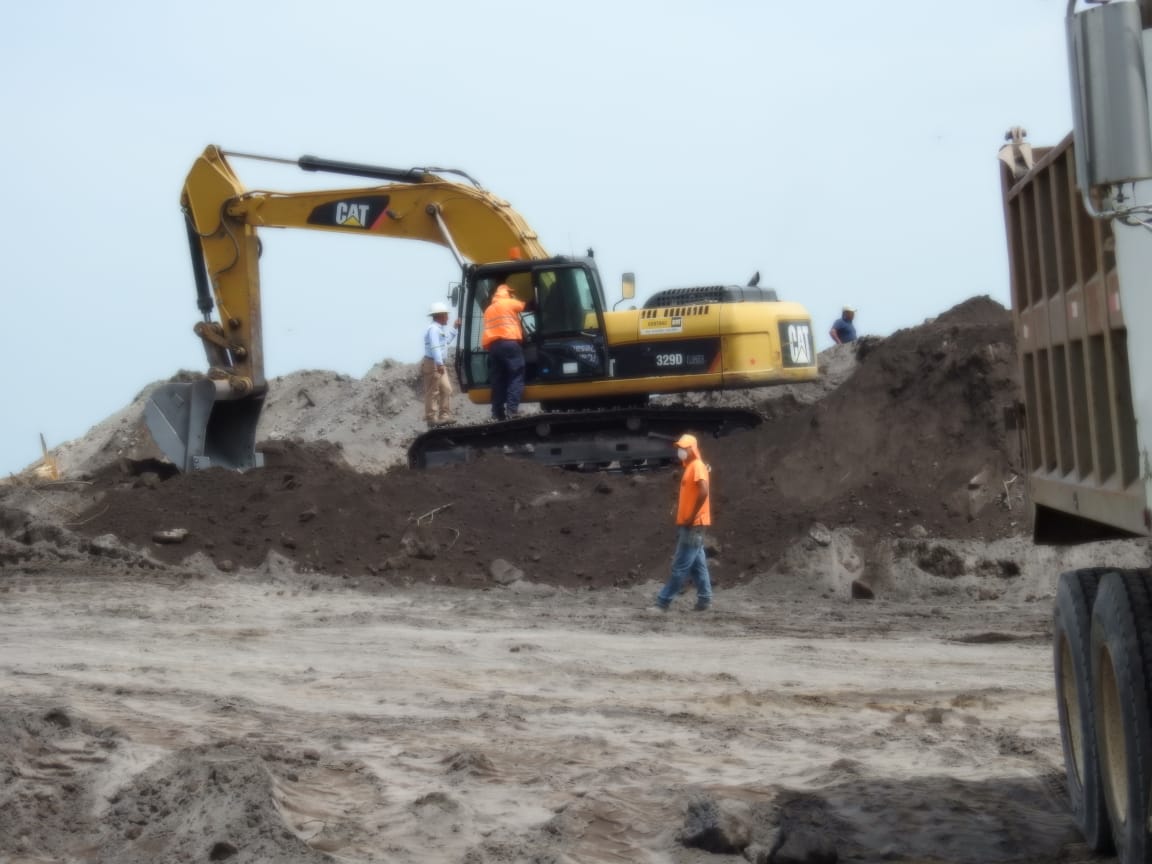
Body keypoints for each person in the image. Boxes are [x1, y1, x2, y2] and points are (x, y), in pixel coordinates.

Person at [653, 433, 713, 612]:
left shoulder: (697, 467)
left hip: (693, 525)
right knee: (698, 565)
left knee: (680, 566)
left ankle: (663, 602)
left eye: (684, 448)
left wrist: (691, 516)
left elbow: (703, 491)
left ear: (692, 449)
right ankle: (705, 599)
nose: (680, 451)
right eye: (680, 448)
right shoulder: (690, 467)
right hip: (691, 523)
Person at [481, 284, 527, 421]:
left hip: (494, 346)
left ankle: (497, 412)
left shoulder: (488, 309)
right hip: (509, 343)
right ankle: (512, 410)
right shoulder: (509, 302)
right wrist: (515, 297)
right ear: (507, 293)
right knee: (516, 374)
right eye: (510, 293)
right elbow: (523, 306)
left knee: (498, 379)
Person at [423, 301, 460, 428]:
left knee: (446, 389)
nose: (448, 318)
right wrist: (439, 363)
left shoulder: (439, 330)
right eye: (446, 315)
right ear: (440, 315)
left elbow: (444, 343)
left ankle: (444, 416)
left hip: (438, 363)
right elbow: (435, 347)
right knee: (433, 392)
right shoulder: (433, 330)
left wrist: (454, 329)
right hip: (433, 363)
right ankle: (431, 419)